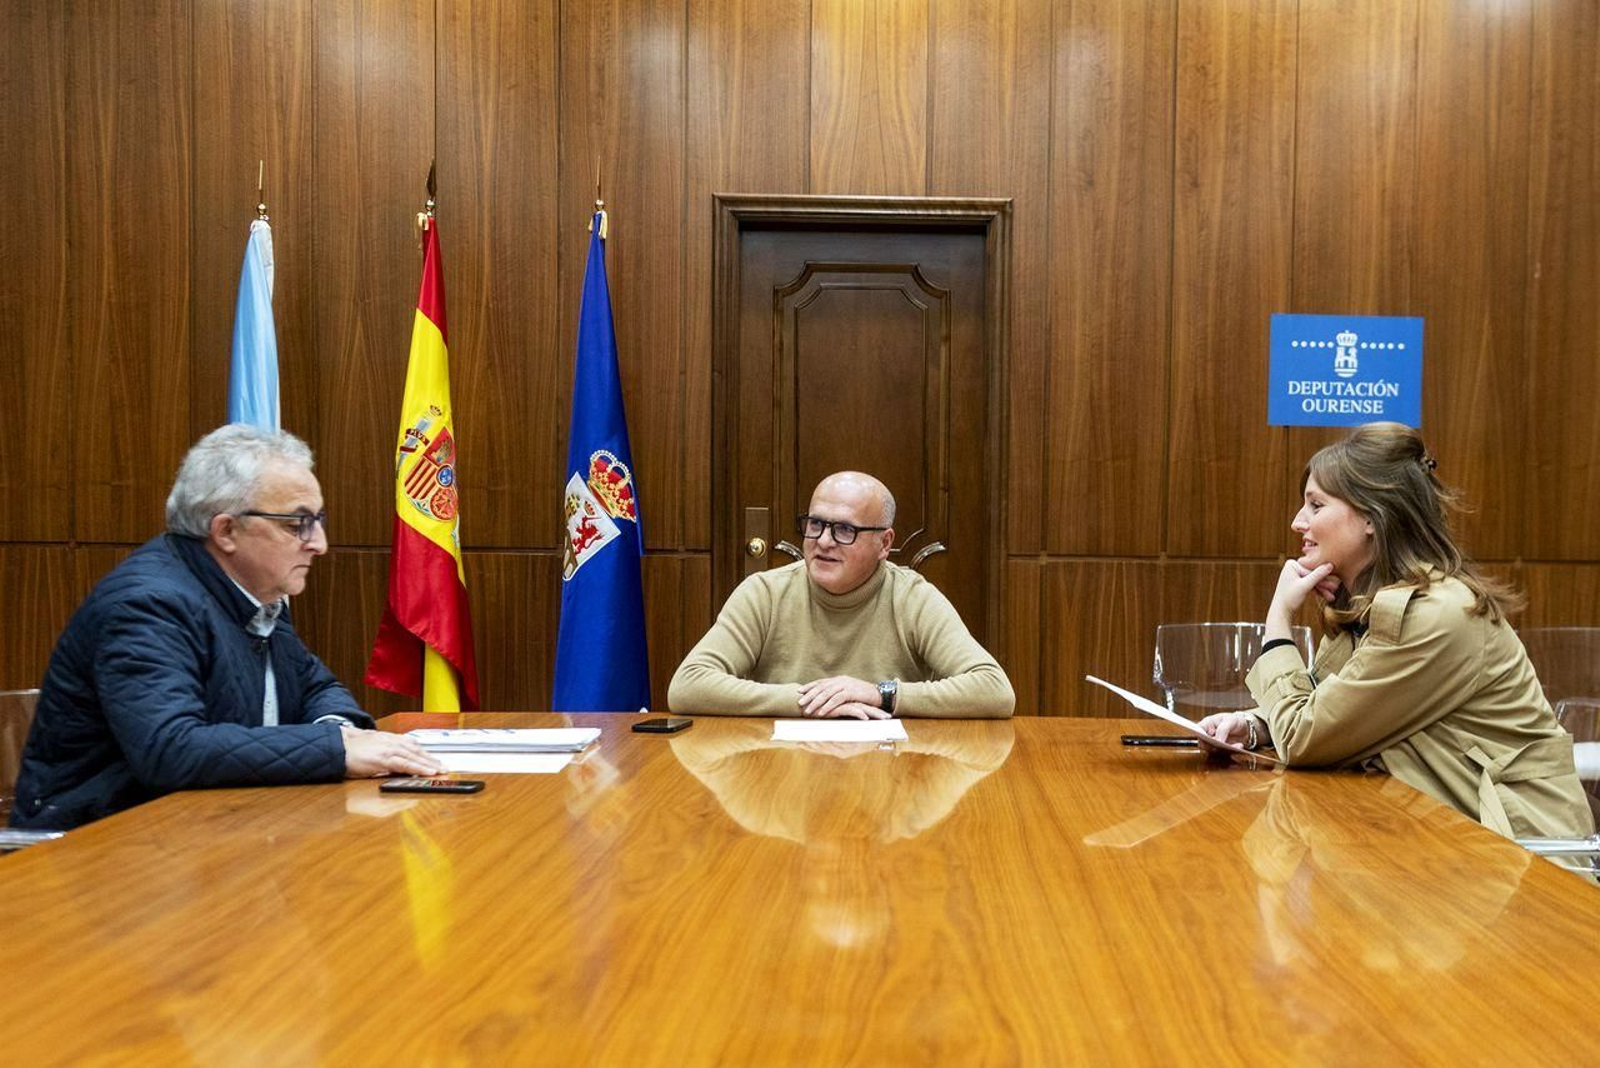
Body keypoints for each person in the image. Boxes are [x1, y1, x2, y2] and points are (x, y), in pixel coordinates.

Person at [9, 425, 442, 831]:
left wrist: (337, 731)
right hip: (99, 850)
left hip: (207, 832)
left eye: (318, 521)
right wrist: (338, 750)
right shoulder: (148, 605)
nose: (318, 544)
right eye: (297, 524)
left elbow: (314, 687)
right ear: (227, 530)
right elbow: (170, 749)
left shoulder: (254, 592)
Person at [1200, 423, 1594, 840]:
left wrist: (1278, 618)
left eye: (1316, 506)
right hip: (1448, 841)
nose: (1299, 522)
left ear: (1372, 517)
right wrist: (1256, 726)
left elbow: (1305, 738)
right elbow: (1339, 709)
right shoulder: (1376, 602)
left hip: (1525, 860)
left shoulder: (1436, 616)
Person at [668, 471, 1013, 719]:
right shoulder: (765, 594)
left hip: (890, 777)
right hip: (782, 779)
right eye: (815, 524)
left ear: (885, 543)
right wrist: (808, 701)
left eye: (845, 529)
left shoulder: (912, 598)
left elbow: (993, 690)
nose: (824, 541)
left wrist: (881, 694)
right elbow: (688, 685)